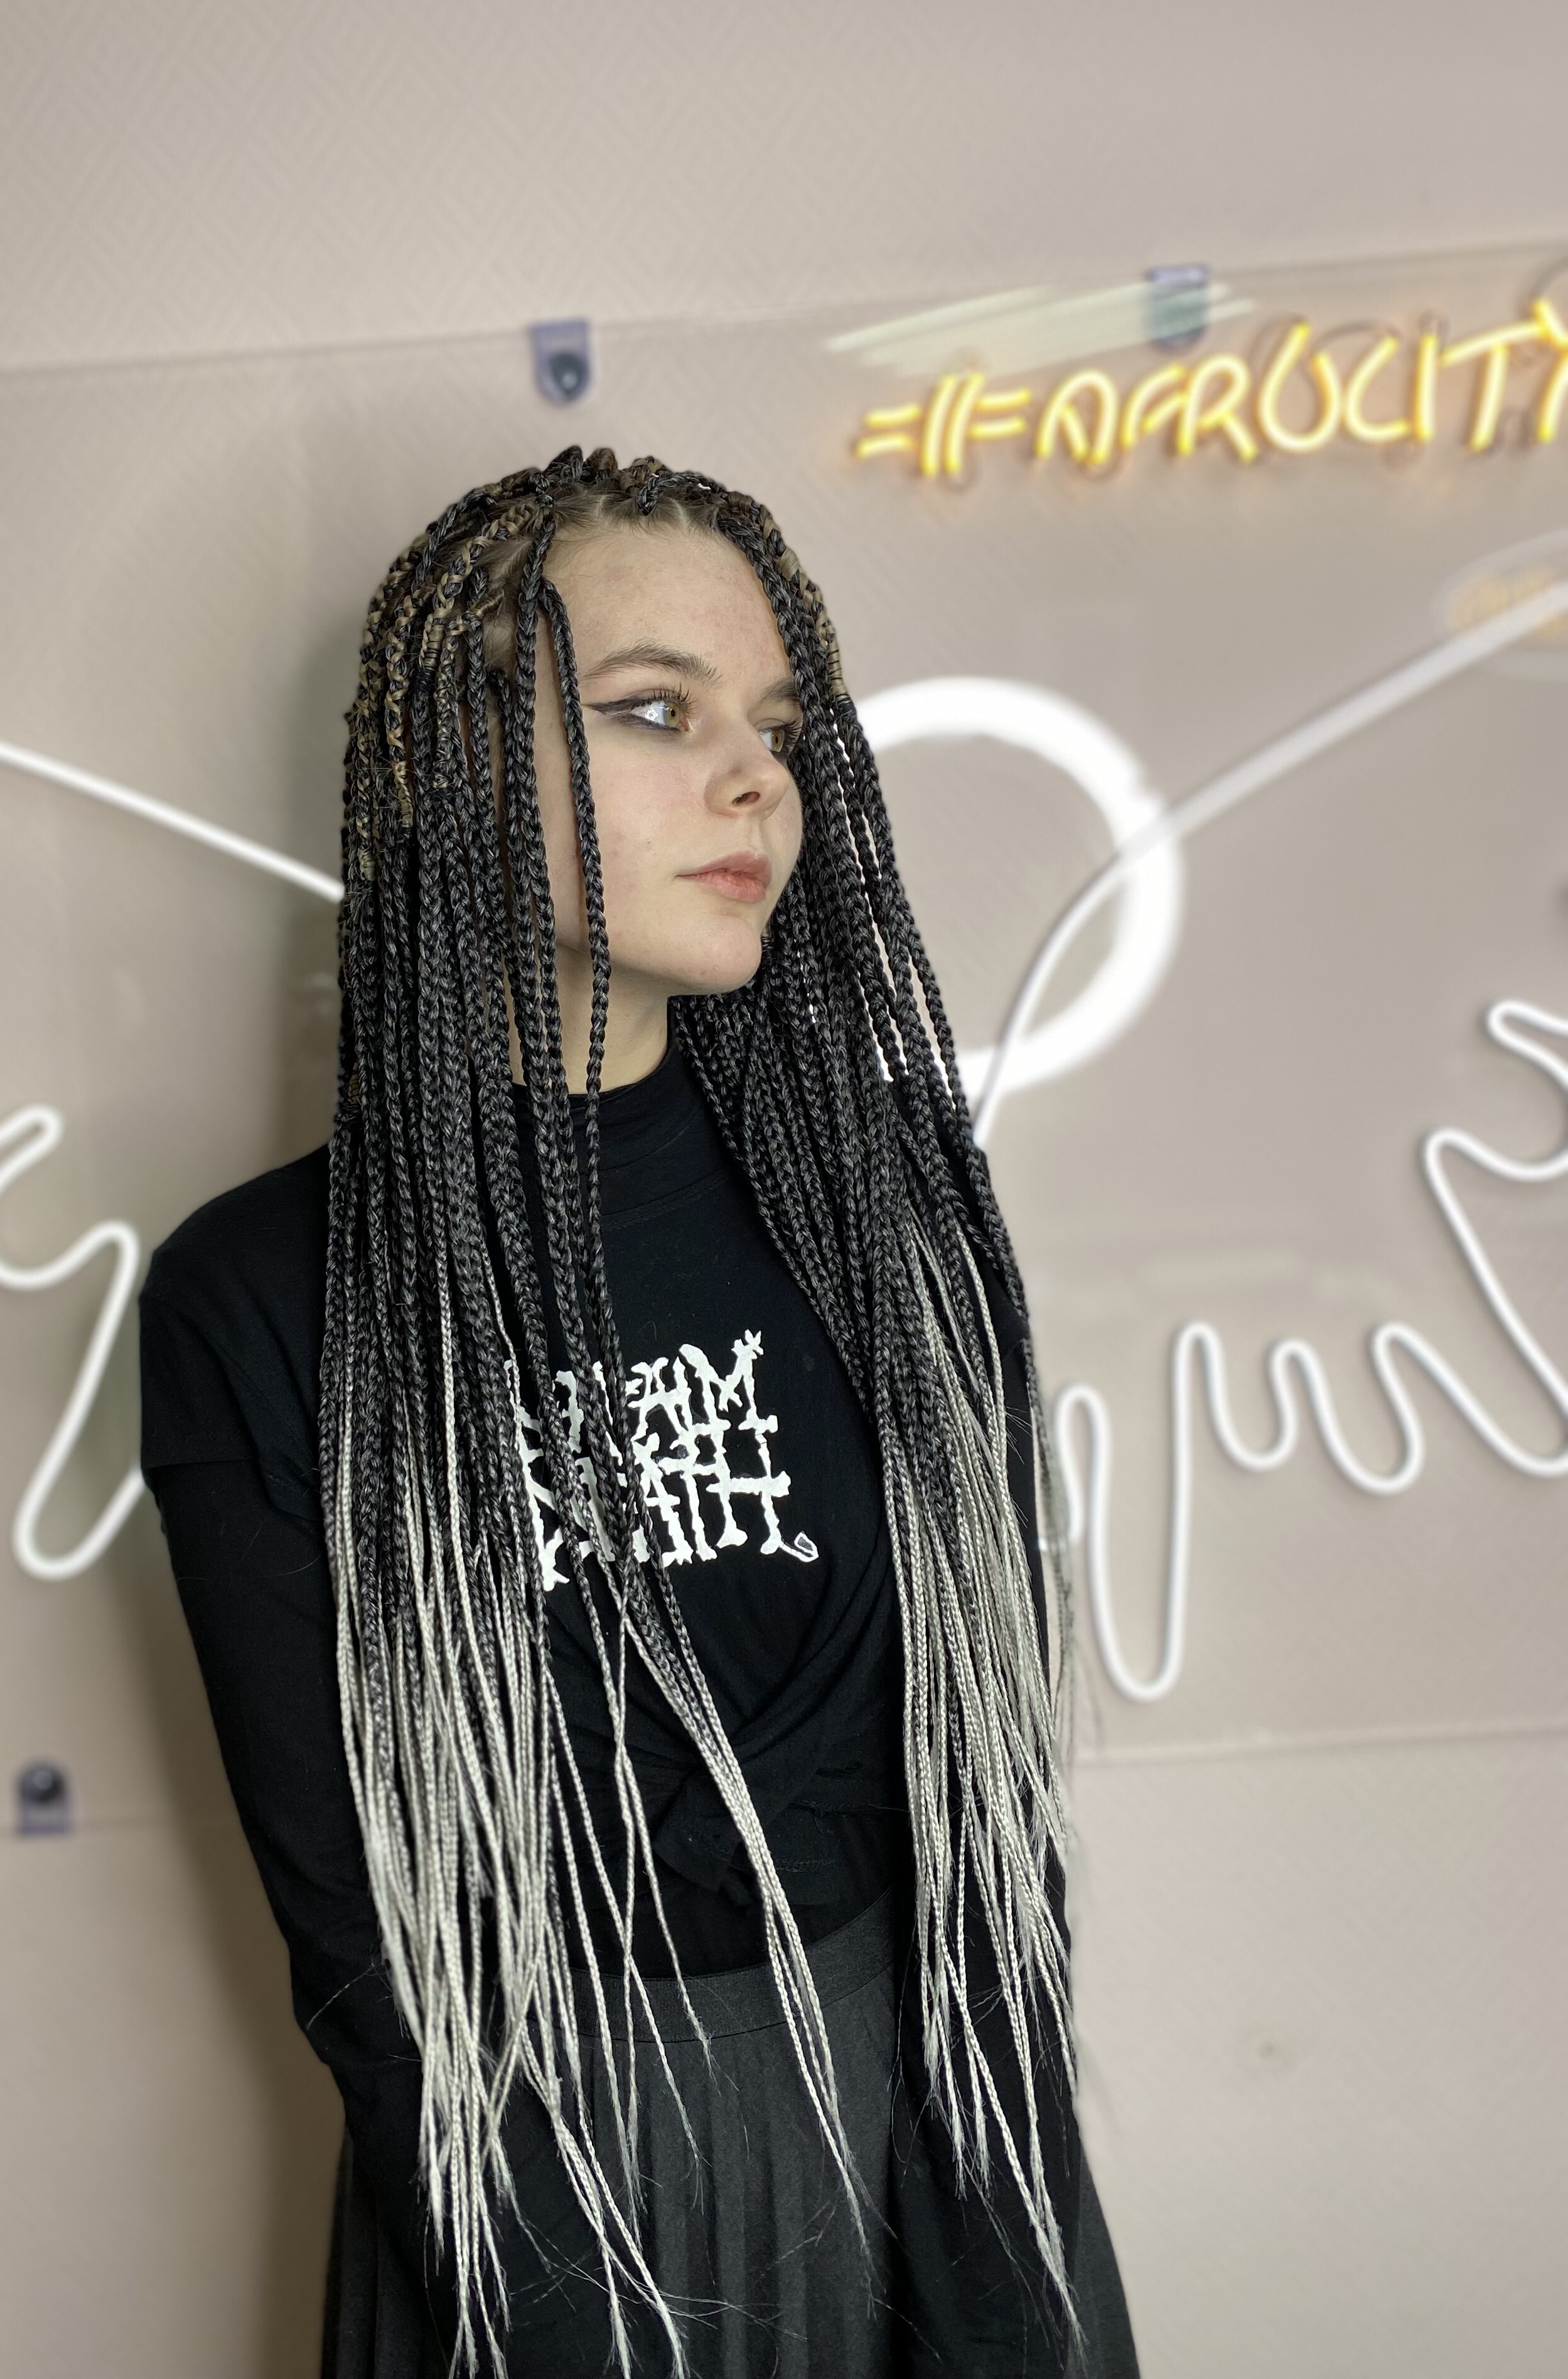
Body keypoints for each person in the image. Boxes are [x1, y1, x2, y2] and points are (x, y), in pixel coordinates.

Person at [137, 447, 1138, 2379]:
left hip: (927, 2151)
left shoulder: (887, 1213)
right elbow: (366, 1952)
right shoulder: (256, 1299)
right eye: (658, 712)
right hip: (535, 2212)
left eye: (778, 727)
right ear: (442, 766)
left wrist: (998, 2299)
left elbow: (988, 1837)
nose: (755, 778)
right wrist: (557, 2301)